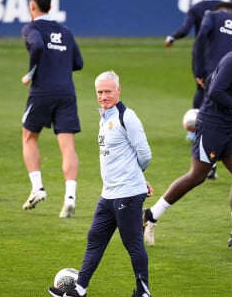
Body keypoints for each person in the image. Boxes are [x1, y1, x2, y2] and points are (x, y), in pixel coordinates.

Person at [143, 25, 232, 251]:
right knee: (197, 176)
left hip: (230, 127)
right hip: (212, 126)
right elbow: (214, 91)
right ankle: (151, 215)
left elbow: (211, 80)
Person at [48, 70, 153, 297]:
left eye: (108, 91)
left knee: (133, 244)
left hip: (126, 194)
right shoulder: (105, 117)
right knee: (95, 238)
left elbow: (145, 153)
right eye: (100, 92)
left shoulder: (127, 117)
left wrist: (136, 177)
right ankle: (79, 288)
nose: (104, 96)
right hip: (108, 194)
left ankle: (143, 292)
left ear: (118, 91)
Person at [20, 0, 84, 218]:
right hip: (67, 92)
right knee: (67, 146)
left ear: (32, 6)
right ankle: (70, 196)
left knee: (29, 137)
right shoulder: (65, 31)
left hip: (42, 92)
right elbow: (78, 62)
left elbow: (36, 46)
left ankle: (37, 187)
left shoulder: (31, 28)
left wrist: (31, 73)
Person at [194, 1, 232, 180]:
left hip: (214, 76)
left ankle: (209, 165)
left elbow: (202, 35)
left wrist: (198, 69)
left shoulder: (211, 15)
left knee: (211, 121)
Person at [165, 0, 221, 142]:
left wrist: (171, 37)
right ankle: (220, 128)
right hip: (223, 56)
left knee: (201, 88)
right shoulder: (226, 7)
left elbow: (185, 29)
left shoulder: (196, 8)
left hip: (202, 55)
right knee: (222, 89)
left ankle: (194, 130)